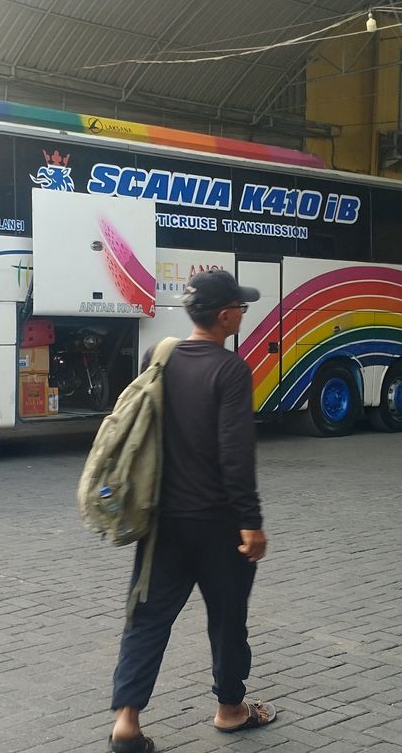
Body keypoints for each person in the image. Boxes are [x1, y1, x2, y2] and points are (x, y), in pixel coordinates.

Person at [108, 270, 275, 753]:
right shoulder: (230, 370)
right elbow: (235, 453)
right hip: (218, 523)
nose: (243, 313)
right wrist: (251, 522)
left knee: (147, 618)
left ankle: (126, 723)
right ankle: (230, 710)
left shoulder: (158, 356)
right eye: (240, 308)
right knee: (226, 619)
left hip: (161, 521)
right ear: (225, 317)